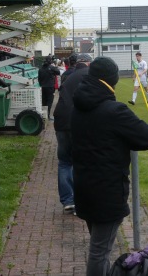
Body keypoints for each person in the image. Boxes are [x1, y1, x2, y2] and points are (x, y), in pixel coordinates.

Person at [71, 57, 148, 276]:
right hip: (107, 191)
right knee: (99, 252)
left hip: (84, 185)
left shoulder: (78, 106)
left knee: (99, 247)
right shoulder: (114, 110)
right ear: (112, 80)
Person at [52, 54, 93, 215]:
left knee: (64, 162)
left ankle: (68, 201)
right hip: (76, 123)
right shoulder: (90, 76)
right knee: (81, 162)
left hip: (60, 122)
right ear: (89, 63)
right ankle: (80, 202)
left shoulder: (69, 76)